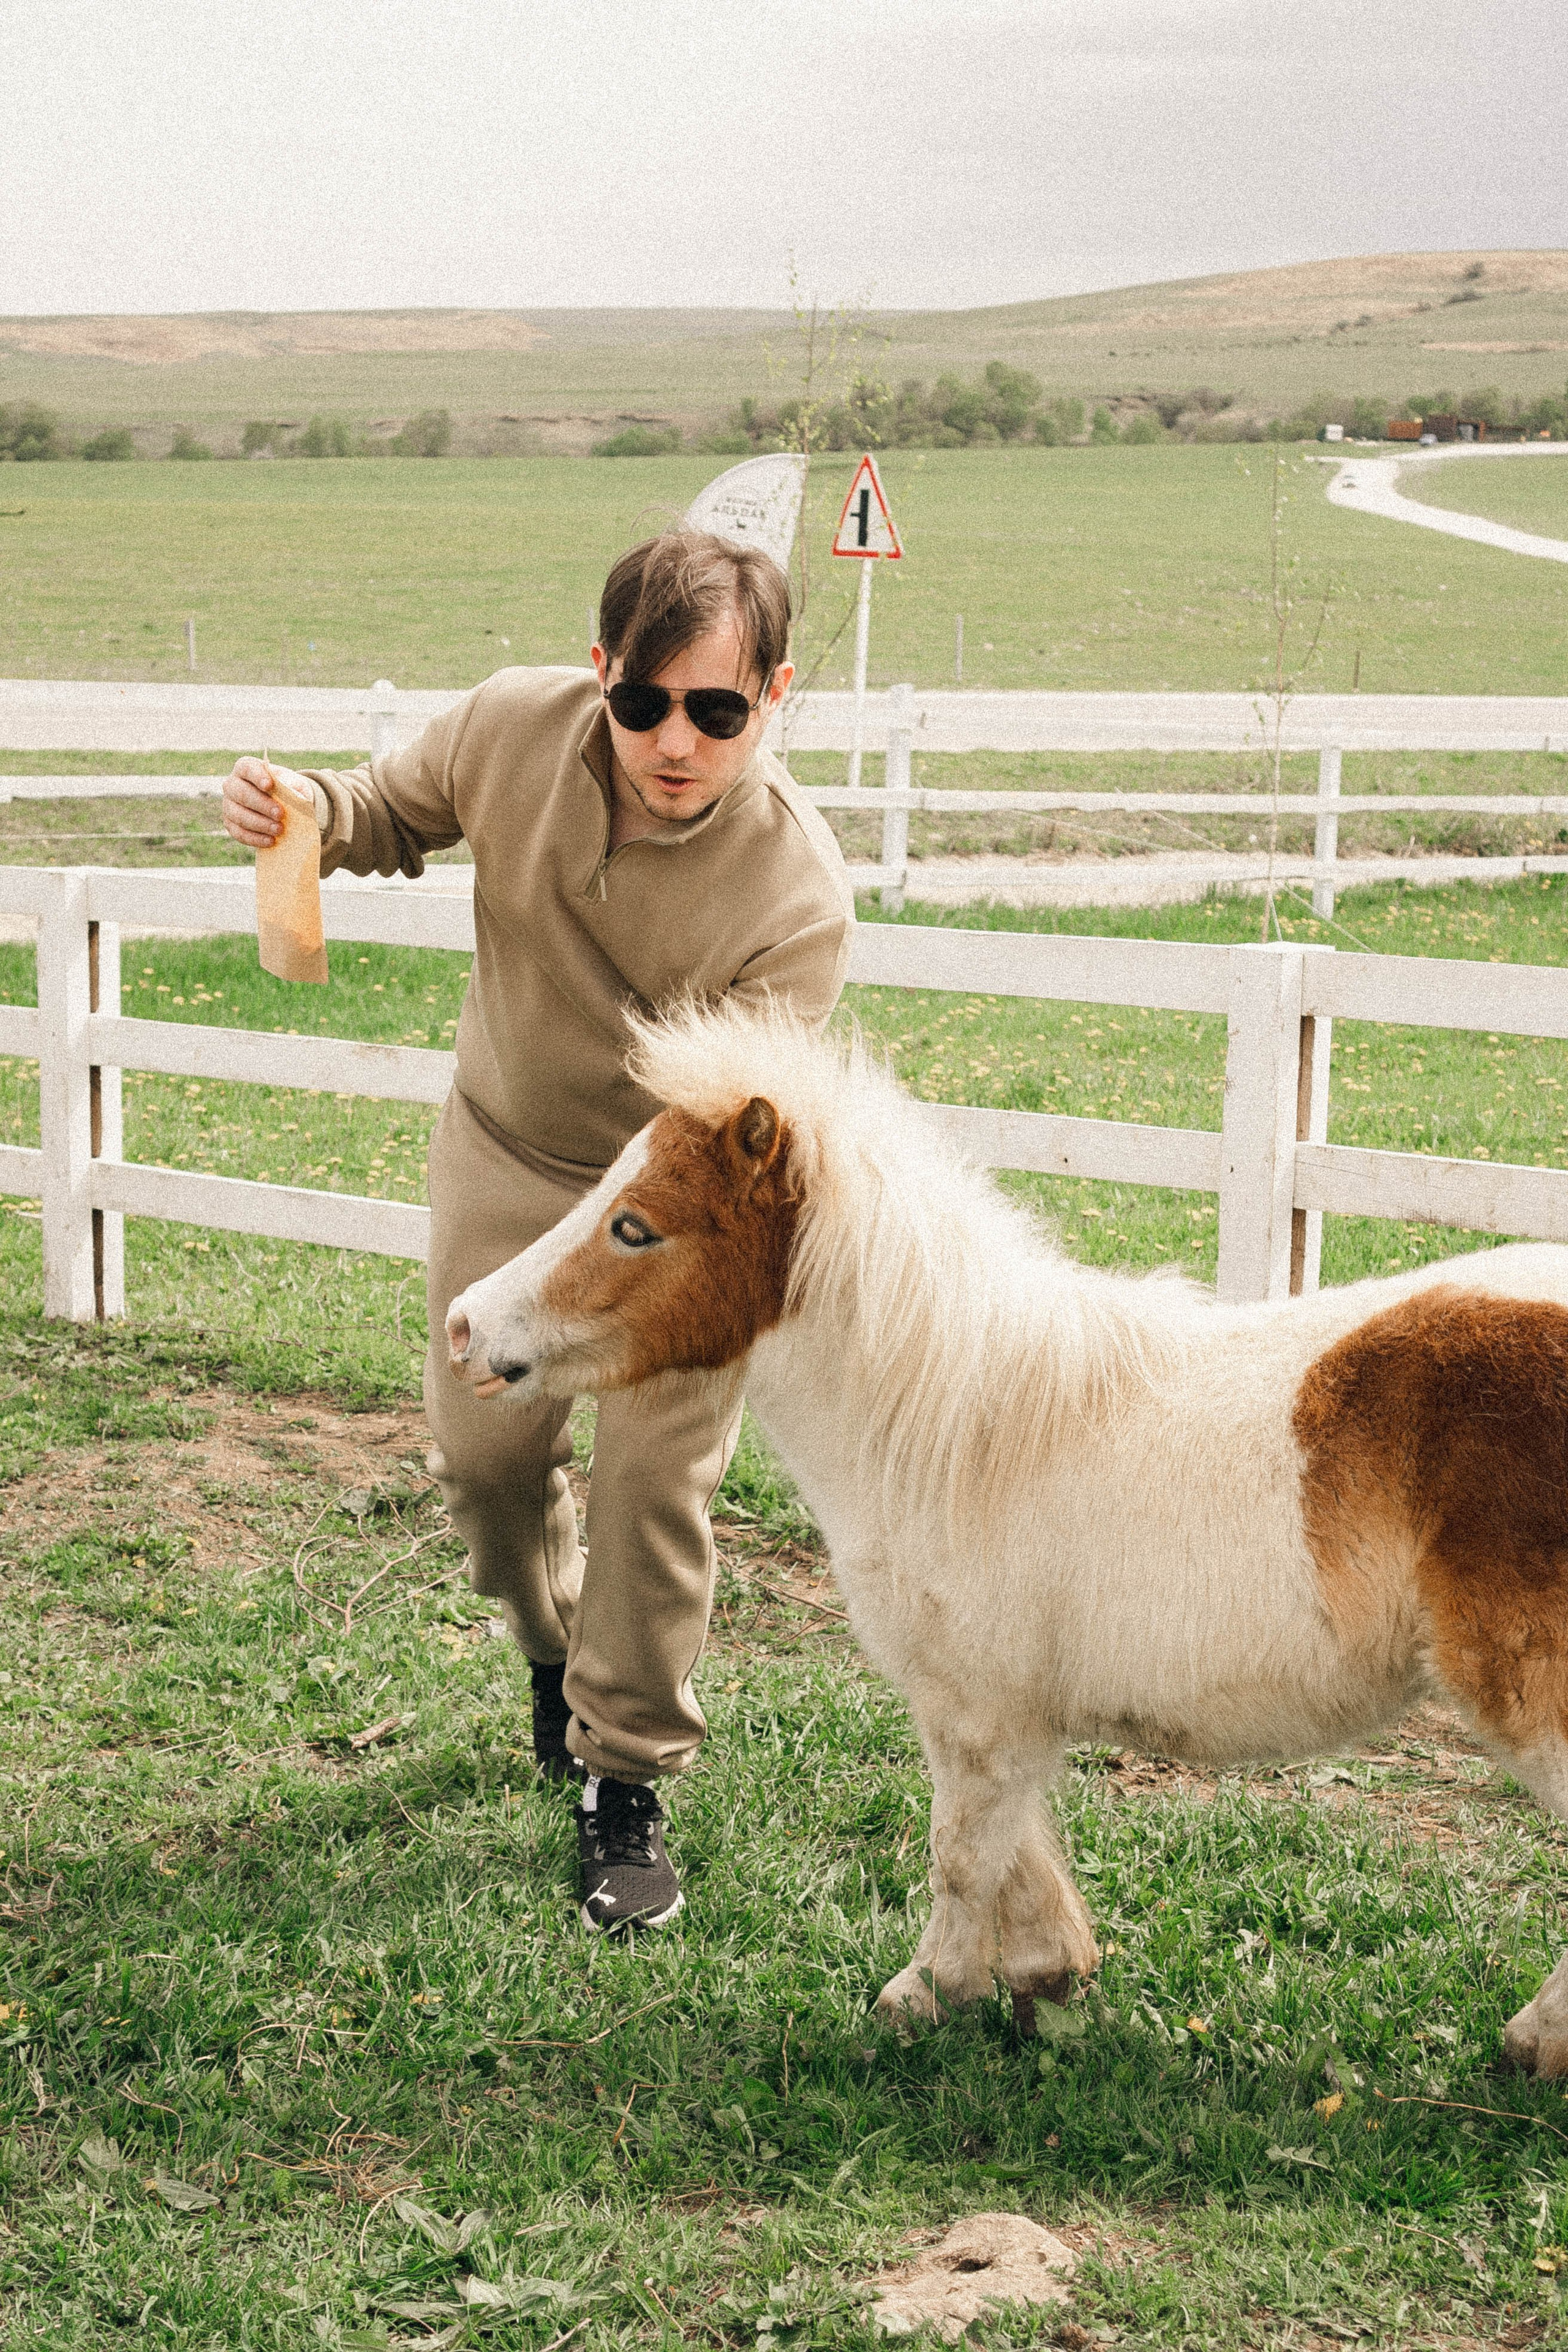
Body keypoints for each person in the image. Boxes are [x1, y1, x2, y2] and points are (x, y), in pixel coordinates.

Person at [222, 531, 854, 1931]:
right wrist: (301, 810)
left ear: (775, 695)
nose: (673, 740)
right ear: (598, 676)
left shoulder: (795, 899)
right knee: (487, 1464)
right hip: (509, 1153)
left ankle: (620, 1775)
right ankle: (552, 1657)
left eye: (716, 710)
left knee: (652, 1485)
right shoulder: (510, 725)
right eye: (642, 703)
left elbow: (722, 1146)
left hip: (676, 1226)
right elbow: (384, 811)